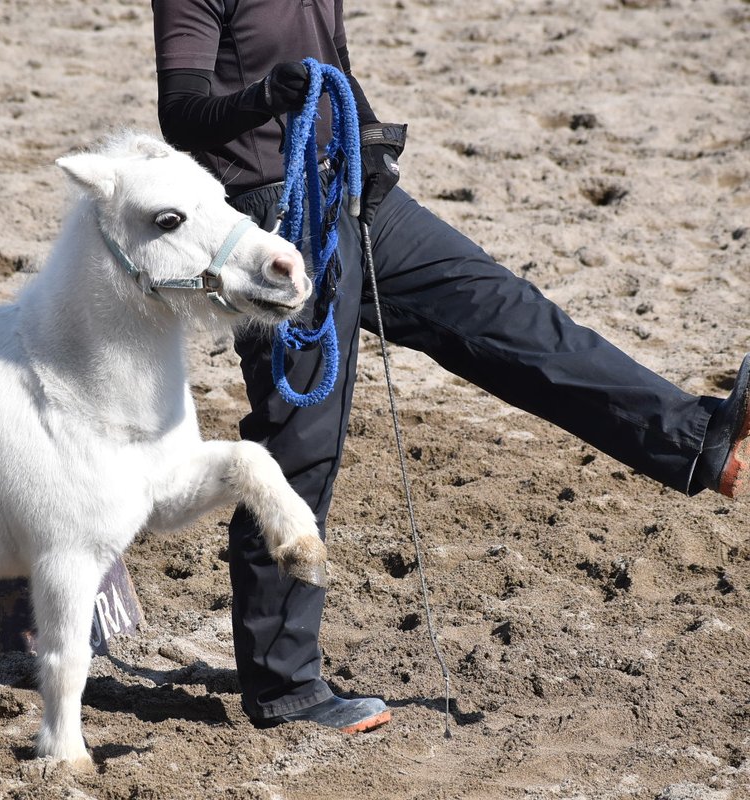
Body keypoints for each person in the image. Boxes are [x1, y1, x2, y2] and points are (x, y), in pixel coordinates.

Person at [151, 0, 749, 735]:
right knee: (298, 444)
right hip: (273, 224)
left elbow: (330, 64)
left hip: (350, 191)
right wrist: (269, 96)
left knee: (502, 310)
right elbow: (182, 114)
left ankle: (694, 438)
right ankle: (283, 687)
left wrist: (367, 138)